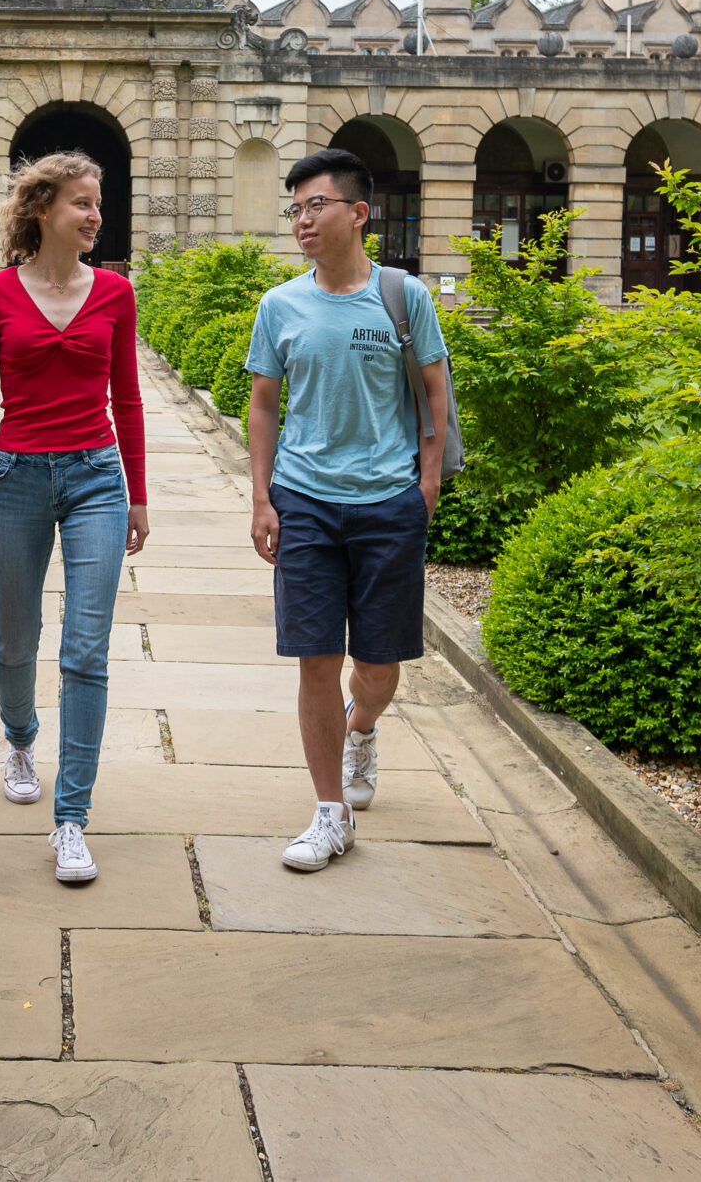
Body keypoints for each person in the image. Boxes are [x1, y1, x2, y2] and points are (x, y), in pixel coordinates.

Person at [0, 152, 149, 883]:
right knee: (14, 638)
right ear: (42, 210)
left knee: (86, 650)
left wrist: (140, 495)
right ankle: (20, 736)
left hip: (96, 474)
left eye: (98, 204)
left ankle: (71, 819)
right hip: (17, 477)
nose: (95, 215)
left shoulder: (115, 293)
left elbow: (128, 398)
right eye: (82, 203)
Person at [243, 147, 449, 872]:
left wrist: (425, 483)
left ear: (358, 213)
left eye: (315, 205)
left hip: (387, 502)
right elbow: (263, 403)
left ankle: (363, 727)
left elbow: (434, 390)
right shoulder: (281, 305)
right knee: (315, 658)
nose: (301, 218)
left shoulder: (402, 296)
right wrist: (263, 495)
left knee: (379, 664)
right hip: (305, 501)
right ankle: (330, 812)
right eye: (294, 207)